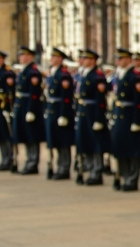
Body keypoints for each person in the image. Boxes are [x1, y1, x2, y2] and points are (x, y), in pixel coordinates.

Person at [110, 48, 140, 191]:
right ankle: (124, 176)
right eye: (117, 59)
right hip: (119, 115)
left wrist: (137, 121)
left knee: (132, 150)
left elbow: (139, 101)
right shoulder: (119, 74)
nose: (118, 61)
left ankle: (132, 179)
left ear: (128, 59)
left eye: (120, 58)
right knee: (120, 149)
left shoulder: (135, 76)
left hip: (130, 117)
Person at [74, 49, 111, 186]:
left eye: (85, 58)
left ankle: (97, 171)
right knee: (86, 143)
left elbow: (100, 99)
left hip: (92, 113)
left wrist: (99, 119)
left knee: (95, 144)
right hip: (83, 113)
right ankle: (90, 170)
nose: (82, 60)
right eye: (82, 58)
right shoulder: (83, 74)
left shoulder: (97, 76)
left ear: (93, 60)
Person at [11, 46, 45, 175]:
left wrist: (31, 110)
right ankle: (29, 161)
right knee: (25, 135)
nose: (21, 58)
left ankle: (33, 162)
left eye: (23, 55)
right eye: (20, 55)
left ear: (30, 57)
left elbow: (34, 93)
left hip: (28, 107)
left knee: (32, 136)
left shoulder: (33, 72)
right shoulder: (24, 71)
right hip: (22, 106)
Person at [43, 47, 75, 180]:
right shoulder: (53, 73)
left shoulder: (63, 75)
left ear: (60, 59)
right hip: (52, 110)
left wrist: (63, 114)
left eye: (54, 57)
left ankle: (64, 167)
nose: (51, 59)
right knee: (54, 141)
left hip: (60, 112)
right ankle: (58, 166)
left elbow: (66, 97)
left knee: (63, 142)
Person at [0, 50, 14, 170]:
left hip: (4, 107)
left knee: (6, 134)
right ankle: (4, 158)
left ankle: (8, 159)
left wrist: (8, 107)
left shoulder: (7, 73)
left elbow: (10, 92)